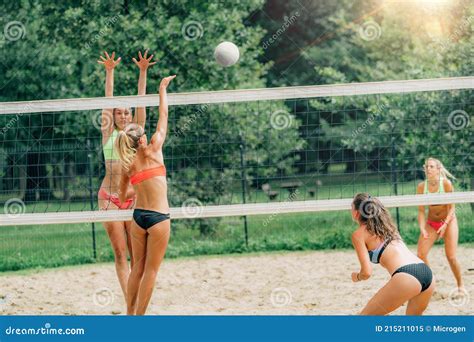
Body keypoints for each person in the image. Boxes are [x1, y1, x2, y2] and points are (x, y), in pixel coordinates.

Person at [97, 50, 156, 301]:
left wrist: (143, 72)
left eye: (126, 112)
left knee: (137, 256)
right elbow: (107, 101)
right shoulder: (109, 132)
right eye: (119, 112)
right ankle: (129, 301)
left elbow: (141, 102)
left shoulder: (135, 134)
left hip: (133, 199)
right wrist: (110, 71)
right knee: (120, 255)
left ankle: (136, 298)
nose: (123, 115)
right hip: (109, 197)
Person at [116, 75, 176, 315]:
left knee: (136, 269)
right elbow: (164, 117)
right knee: (151, 271)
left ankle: (129, 315)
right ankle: (139, 319)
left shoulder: (128, 166)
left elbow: (122, 199)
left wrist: (138, 187)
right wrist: (162, 88)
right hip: (159, 218)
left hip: (138, 217)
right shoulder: (154, 147)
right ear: (141, 138)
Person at [351, 193, 434, 315]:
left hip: (407, 276)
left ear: (357, 213)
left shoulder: (358, 234)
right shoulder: (389, 227)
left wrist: (357, 277)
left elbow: (366, 273)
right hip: (427, 273)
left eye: (352, 207)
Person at [416, 157, 463, 292]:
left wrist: (445, 225)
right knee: (421, 254)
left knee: (451, 256)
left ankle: (460, 285)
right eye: (426, 167)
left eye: (431, 166)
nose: (428, 169)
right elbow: (421, 211)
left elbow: (452, 208)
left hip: (448, 221)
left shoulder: (446, 184)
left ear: (438, 169)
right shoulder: (421, 187)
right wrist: (422, 228)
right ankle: (431, 284)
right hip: (431, 223)